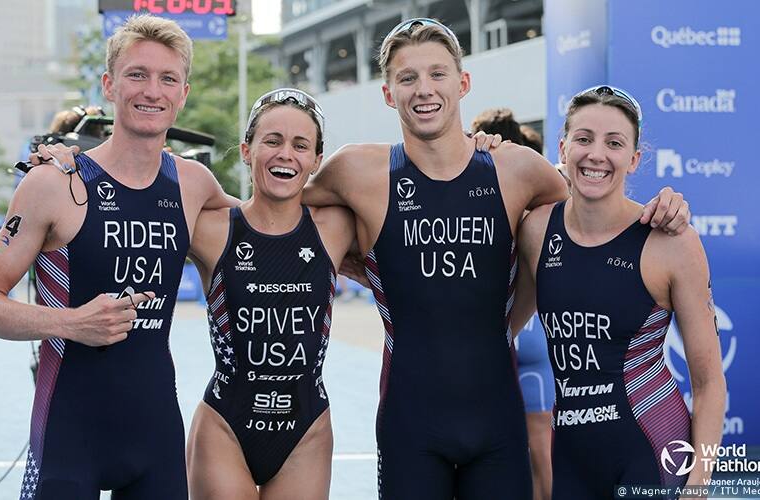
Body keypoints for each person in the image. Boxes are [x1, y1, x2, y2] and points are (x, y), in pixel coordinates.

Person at [302, 18, 691, 499]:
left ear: (463, 83)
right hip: (409, 424)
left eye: (438, 74)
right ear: (388, 93)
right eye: (407, 77)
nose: (424, 89)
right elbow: (282, 213)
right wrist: (361, 266)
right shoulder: (355, 169)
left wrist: (664, 206)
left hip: (497, 426)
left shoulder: (516, 168)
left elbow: (593, 210)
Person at [0, 15, 237, 499]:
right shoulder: (54, 183)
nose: (152, 91)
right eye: (137, 74)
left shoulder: (194, 184)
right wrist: (71, 323)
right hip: (69, 433)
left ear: (183, 93)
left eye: (168, 79)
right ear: (109, 85)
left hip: (155, 433)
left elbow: (272, 226)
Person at [513, 85, 725, 499]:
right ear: (563, 148)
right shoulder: (536, 230)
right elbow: (499, 326)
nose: (596, 154)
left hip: (651, 451)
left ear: (634, 159)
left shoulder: (671, 242)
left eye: (614, 143)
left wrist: (699, 485)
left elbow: (708, 381)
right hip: (571, 458)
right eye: (584, 138)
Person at [185, 88, 354, 499]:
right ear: (247, 150)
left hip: (306, 432)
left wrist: (482, 149)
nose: (285, 154)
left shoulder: (336, 227)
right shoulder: (211, 229)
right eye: (272, 141)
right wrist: (68, 161)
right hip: (226, 425)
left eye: (300, 145)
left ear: (317, 160)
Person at [471, 107, 554, 500]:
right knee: (540, 451)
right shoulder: (535, 194)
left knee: (487, 451)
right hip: (530, 335)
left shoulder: (481, 192)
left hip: (498, 336)